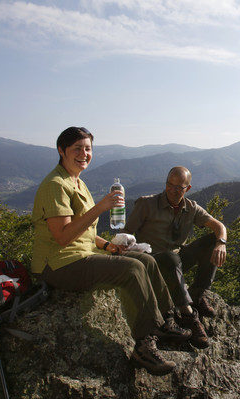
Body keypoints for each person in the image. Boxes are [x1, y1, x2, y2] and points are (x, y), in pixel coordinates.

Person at [31, 127, 190, 376]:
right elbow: (62, 236)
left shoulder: (77, 182)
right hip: (58, 264)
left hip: (81, 254)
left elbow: (82, 230)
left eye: (88, 149)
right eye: (77, 148)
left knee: (146, 260)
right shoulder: (55, 185)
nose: (84, 154)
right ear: (61, 150)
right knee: (132, 268)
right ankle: (144, 345)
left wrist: (107, 246)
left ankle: (166, 321)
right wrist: (100, 207)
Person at [122, 166, 227, 349]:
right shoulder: (146, 204)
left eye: (179, 187)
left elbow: (219, 227)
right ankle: (188, 315)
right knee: (170, 258)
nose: (173, 190)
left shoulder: (191, 208)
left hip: (176, 262)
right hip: (152, 263)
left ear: (188, 188)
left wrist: (221, 244)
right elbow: (126, 232)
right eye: (170, 185)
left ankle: (197, 294)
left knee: (212, 241)